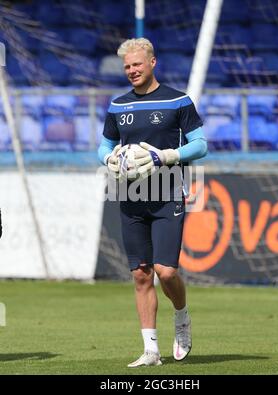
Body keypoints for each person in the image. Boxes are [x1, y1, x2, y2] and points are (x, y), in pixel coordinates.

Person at [98, 38, 207, 367]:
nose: (131, 70)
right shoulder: (118, 106)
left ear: (153, 62)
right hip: (130, 195)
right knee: (142, 275)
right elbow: (103, 146)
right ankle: (150, 351)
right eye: (127, 66)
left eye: (137, 64)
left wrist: (169, 156)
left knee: (166, 271)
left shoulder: (179, 100)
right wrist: (109, 160)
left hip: (167, 192)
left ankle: (182, 316)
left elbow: (200, 145)